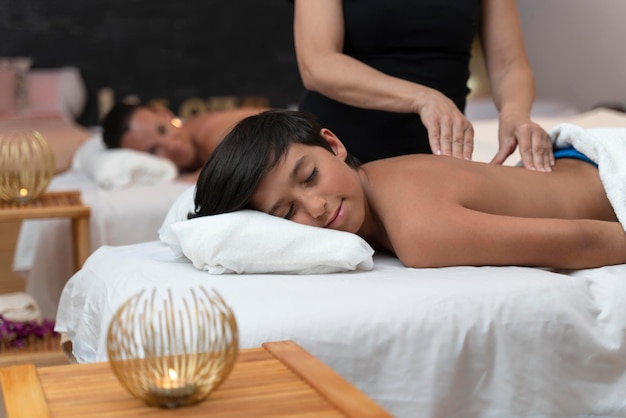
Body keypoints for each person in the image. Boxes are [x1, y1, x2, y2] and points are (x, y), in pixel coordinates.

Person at [190, 110, 626, 270]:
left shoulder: (418, 231)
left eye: (309, 177)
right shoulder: (377, 183)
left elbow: (581, 241)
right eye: (287, 214)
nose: (316, 207)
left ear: (334, 145)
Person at [291, 0, 554, 171]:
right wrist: (422, 98)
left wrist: (515, 114)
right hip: (340, 157)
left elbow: (509, 65)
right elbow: (318, 64)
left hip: (434, 159)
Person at [101, 102, 268, 177]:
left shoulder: (211, 135)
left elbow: (239, 168)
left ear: (165, 114)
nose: (170, 145)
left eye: (162, 129)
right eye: (154, 151)